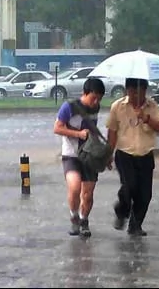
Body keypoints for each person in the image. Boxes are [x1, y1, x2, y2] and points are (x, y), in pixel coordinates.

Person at [106, 78, 159, 236]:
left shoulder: (151, 106)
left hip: (146, 155)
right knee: (129, 186)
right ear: (127, 90)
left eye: (140, 92)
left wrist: (147, 118)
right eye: (133, 92)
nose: (136, 95)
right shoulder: (117, 107)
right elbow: (112, 131)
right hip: (124, 154)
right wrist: (108, 154)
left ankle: (135, 225)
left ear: (145, 91)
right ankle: (121, 212)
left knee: (145, 194)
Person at [53, 78, 106, 237]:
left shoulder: (96, 108)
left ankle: (84, 220)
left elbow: (93, 130)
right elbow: (57, 128)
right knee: (75, 187)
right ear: (85, 93)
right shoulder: (68, 107)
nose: (95, 102)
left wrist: (105, 155)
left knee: (88, 194)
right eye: (93, 97)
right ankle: (74, 216)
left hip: (90, 155)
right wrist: (78, 134)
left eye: (99, 98)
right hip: (71, 154)